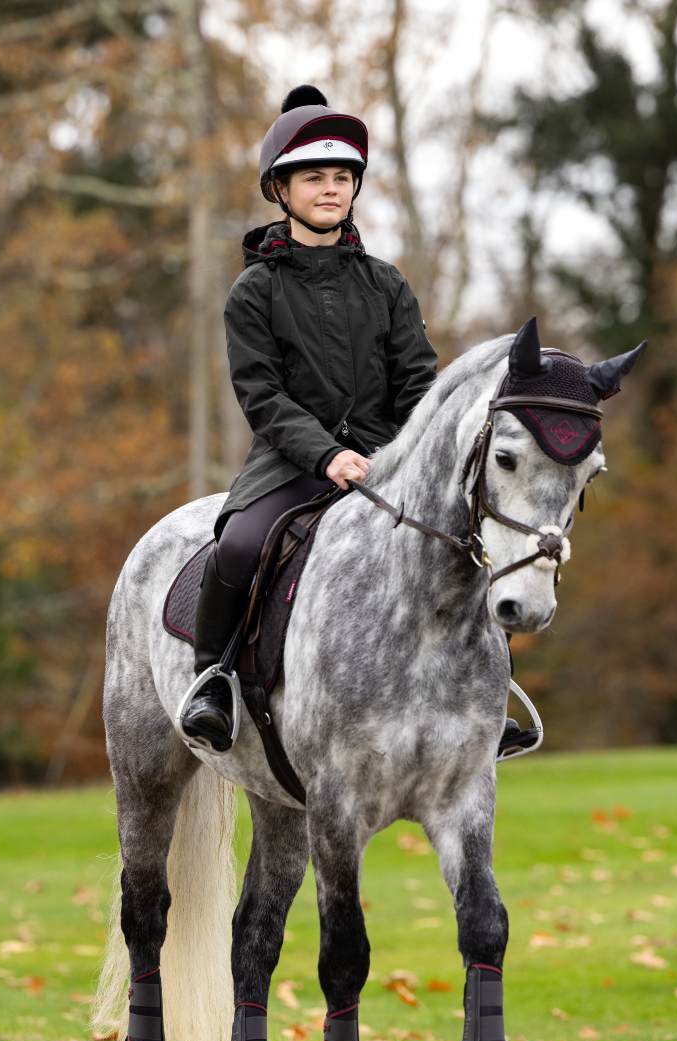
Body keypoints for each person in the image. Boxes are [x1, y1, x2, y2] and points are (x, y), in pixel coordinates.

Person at [180, 84, 527, 760]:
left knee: (467, 546)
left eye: (342, 177)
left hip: (387, 464)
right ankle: (212, 678)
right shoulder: (254, 292)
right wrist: (325, 456)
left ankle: (490, 693)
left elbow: (421, 386)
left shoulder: (388, 285)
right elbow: (263, 395)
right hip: (289, 464)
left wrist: (411, 455)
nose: (332, 188)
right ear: (280, 189)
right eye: (315, 177)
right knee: (241, 545)